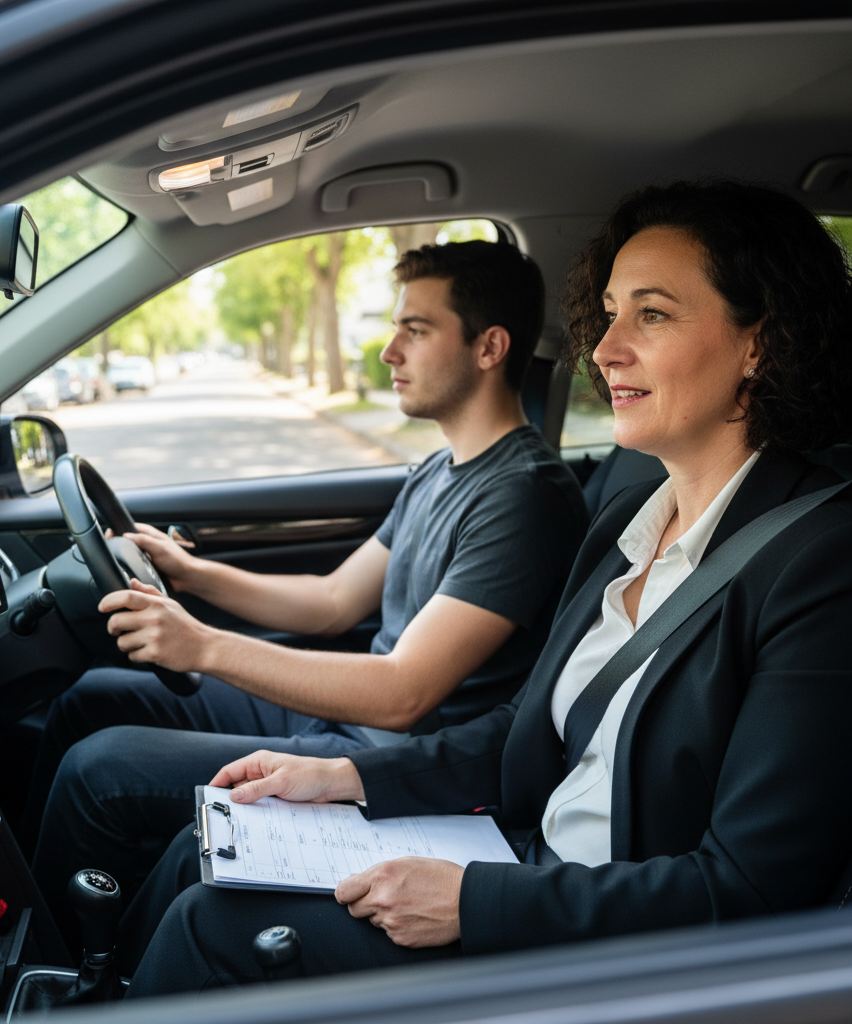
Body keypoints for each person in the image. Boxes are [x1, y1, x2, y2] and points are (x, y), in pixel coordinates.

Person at [118, 178, 852, 995]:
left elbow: (749, 892)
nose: (605, 348)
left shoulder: (821, 564)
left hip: (612, 951)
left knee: (211, 928)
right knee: (216, 845)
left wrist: (477, 901)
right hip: (524, 863)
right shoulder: (627, 524)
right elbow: (523, 731)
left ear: (760, 340)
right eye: (608, 313)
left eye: (652, 313)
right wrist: (352, 780)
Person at [28, 240, 590, 951]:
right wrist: (194, 574)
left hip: (397, 757)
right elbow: (331, 601)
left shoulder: (524, 495)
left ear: (489, 347)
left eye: (415, 330)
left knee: (99, 770)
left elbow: (403, 693)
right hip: (351, 719)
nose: (389, 352)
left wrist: (200, 643)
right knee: (92, 697)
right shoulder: (439, 471)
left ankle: (54, 966)